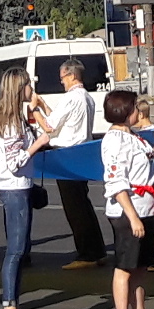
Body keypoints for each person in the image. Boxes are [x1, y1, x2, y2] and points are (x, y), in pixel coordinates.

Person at [98, 88, 154, 309]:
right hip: (128, 211)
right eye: (136, 107)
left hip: (144, 207)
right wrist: (133, 217)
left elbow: (145, 167)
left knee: (139, 267)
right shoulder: (114, 141)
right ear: (125, 112)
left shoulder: (134, 137)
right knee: (125, 267)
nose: (139, 111)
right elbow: (116, 182)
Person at [0, 71, 44, 309]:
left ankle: (13, 306)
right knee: (16, 250)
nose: (32, 88)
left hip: (16, 187)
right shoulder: (12, 124)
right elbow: (16, 161)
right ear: (20, 88)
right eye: (29, 84)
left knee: (20, 248)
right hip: (15, 189)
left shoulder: (10, 119)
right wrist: (37, 144)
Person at [39, 59, 107, 270]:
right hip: (80, 153)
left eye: (63, 77)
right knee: (83, 204)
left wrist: (34, 110)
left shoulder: (70, 97)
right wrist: (43, 106)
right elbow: (61, 121)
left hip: (67, 154)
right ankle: (96, 250)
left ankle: (87, 253)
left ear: (71, 75)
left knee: (75, 208)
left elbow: (50, 127)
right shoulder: (86, 97)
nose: (62, 82)